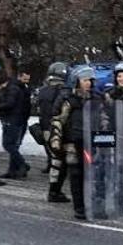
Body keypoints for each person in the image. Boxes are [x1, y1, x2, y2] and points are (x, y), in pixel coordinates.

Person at [49, 66, 100, 219]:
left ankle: (90, 203)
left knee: (89, 173)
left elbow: (103, 118)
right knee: (76, 174)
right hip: (72, 142)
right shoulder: (68, 99)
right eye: (85, 80)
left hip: (90, 142)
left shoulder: (96, 98)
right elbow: (58, 120)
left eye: (90, 80)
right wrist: (56, 139)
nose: (88, 83)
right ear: (77, 81)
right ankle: (79, 207)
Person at [38, 62, 71, 202]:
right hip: (58, 128)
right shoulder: (63, 91)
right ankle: (55, 191)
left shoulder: (43, 90)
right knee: (61, 162)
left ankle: (53, 189)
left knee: (55, 161)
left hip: (46, 127)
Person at [0, 72, 30, 179]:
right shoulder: (19, 88)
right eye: (25, 79)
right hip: (18, 119)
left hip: (12, 119)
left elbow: (10, 104)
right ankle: (12, 170)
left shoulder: (12, 89)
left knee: (8, 144)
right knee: (13, 146)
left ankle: (22, 164)